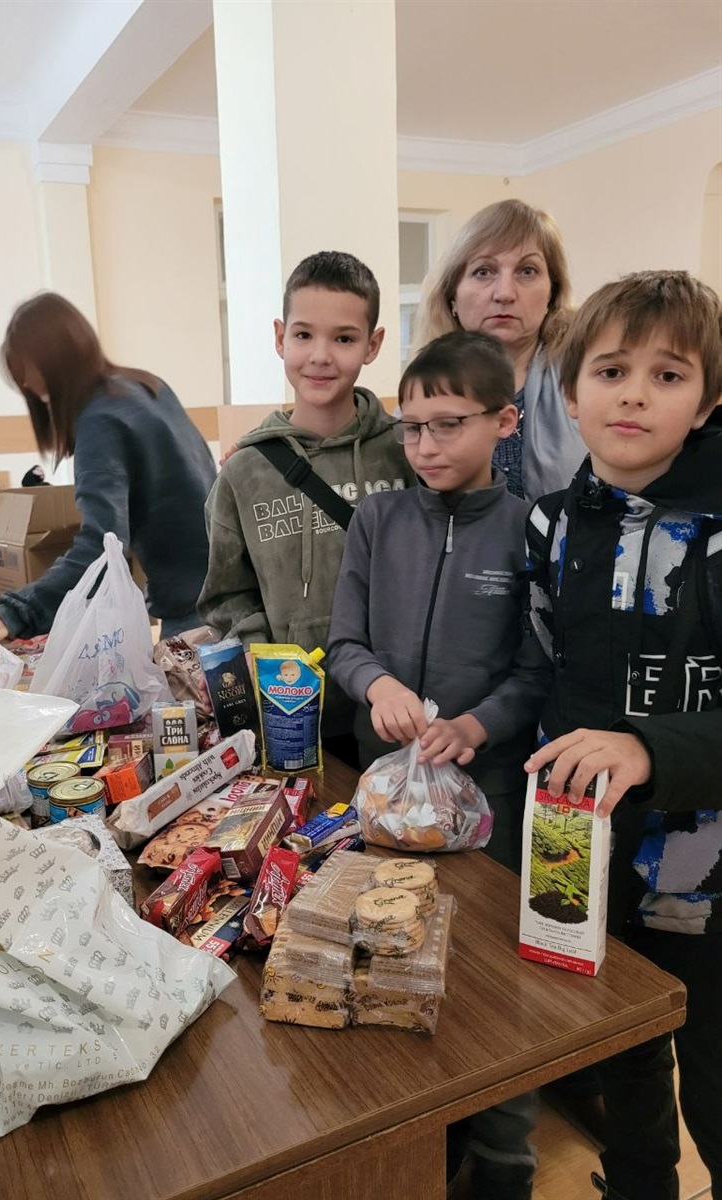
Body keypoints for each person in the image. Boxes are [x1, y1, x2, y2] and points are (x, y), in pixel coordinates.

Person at [328, 331, 551, 1200]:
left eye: (447, 425)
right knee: (389, 957)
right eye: (411, 427)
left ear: (503, 421)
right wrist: (374, 680)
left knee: (489, 982)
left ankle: (503, 1161)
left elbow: (538, 670)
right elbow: (343, 642)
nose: (425, 447)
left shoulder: (531, 527)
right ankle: (419, 1139)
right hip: (383, 799)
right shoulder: (378, 520)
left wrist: (476, 725)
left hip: (488, 799)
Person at [524, 270, 722, 1200]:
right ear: (571, 394)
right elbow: (542, 665)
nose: (634, 393)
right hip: (580, 847)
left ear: (709, 398)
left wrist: (649, 746)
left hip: (705, 871)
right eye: (610, 370)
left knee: (714, 1077)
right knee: (624, 1052)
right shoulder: (550, 523)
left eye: (668, 373)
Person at [197, 251, 417, 762]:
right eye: (303, 335)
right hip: (296, 718)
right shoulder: (244, 472)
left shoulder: (408, 451)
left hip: (399, 713)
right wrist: (270, 665)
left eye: (343, 338)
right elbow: (226, 598)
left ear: (373, 343)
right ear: (280, 337)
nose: (321, 355)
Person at [0, 292, 217, 647]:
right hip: (223, 592)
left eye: (28, 377)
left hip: (194, 613)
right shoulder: (143, 385)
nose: (29, 388)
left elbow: (102, 549)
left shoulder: (101, 417)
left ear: (52, 363)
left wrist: (15, 610)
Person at [416, 198, 585, 500]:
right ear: (452, 296)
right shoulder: (419, 391)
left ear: (553, 292)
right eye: (483, 272)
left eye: (527, 271)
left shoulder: (587, 380)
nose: (505, 293)